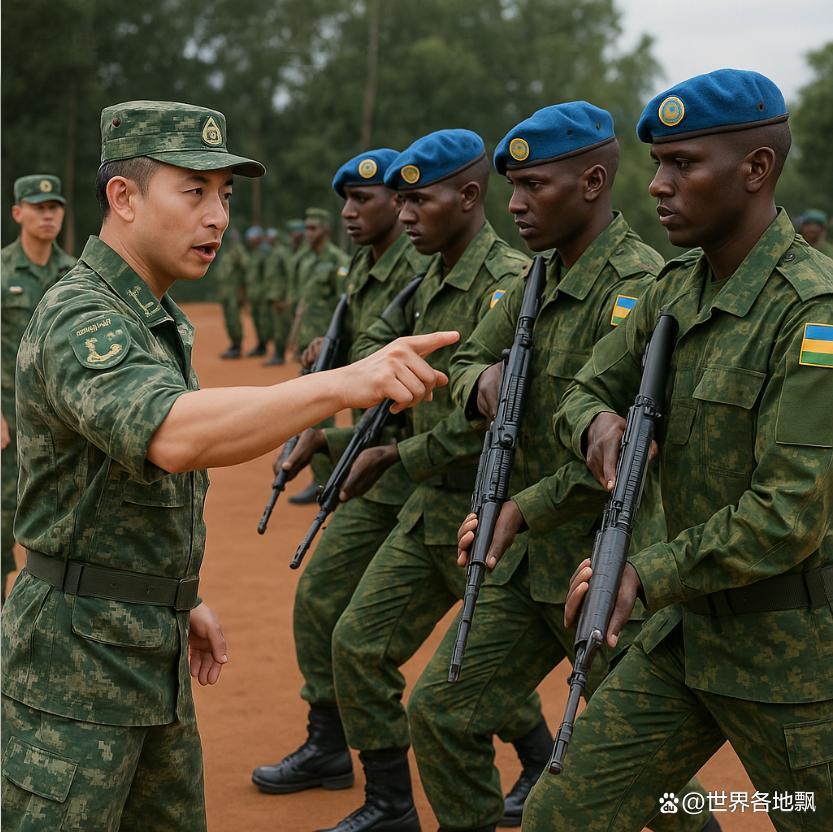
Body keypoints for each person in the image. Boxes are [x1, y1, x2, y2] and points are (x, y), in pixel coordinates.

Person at [0, 99, 457, 832]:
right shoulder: (80, 315)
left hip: (146, 646)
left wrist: (176, 594)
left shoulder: (155, 316)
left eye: (226, 197)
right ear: (123, 197)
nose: (218, 217)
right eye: (194, 192)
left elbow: (123, 489)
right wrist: (346, 381)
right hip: (72, 679)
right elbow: (175, 436)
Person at [524, 69, 833, 832]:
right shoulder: (674, 291)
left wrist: (644, 572)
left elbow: (788, 511)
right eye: (658, 163)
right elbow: (581, 391)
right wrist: (598, 425)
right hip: (687, 640)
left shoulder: (813, 314)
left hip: (792, 658)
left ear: (755, 170)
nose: (658, 185)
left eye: (683, 164)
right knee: (560, 816)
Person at [406, 103, 715, 832]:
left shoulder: (642, 285)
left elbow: (632, 450)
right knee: (441, 709)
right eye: (510, 186)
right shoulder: (533, 278)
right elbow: (466, 359)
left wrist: (522, 506)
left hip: (608, 569)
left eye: (533, 185)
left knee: (651, 786)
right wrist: (482, 383)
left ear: (592, 181)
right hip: (526, 566)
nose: (513, 204)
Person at [323, 129, 549, 832]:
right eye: (401, 201)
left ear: (468, 196)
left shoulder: (509, 282)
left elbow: (495, 415)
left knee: (484, 679)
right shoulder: (428, 280)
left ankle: (548, 765)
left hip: (492, 514)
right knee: (357, 644)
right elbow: (388, 371)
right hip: (431, 510)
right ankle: (391, 804)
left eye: (418, 200)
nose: (406, 214)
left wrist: (396, 458)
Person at [251, 146, 430, 795]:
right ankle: (328, 747)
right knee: (323, 601)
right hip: (370, 464)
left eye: (365, 199)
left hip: (413, 473)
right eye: (345, 202)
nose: (351, 213)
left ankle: (531, 750)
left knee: (484, 631)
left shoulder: (422, 263)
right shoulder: (364, 266)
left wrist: (331, 438)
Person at [1, 174, 75, 603]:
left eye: (55, 206)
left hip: (60, 425)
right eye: (38, 205)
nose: (48, 214)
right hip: (7, 425)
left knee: (59, 525)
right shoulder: (2, 271)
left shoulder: (75, 274)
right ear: (18, 213)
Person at [289, 207, 351, 504]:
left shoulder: (339, 262)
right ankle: (320, 477)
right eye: (307, 227)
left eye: (314, 228)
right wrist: (294, 337)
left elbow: (345, 308)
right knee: (307, 412)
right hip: (307, 348)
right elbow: (302, 303)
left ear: (326, 230)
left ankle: (325, 482)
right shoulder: (303, 259)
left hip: (327, 350)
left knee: (321, 416)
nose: (309, 232)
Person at [214, 226, 249, 358]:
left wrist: (243, 290)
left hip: (234, 293)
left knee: (234, 319)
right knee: (228, 319)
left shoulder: (238, 251)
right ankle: (233, 344)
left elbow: (246, 268)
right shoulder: (226, 253)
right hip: (226, 293)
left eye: (234, 237)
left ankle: (237, 346)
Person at [243, 224, 273, 357]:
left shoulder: (264, 252)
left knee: (264, 320)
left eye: (253, 237)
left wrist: (267, 292)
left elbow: (268, 274)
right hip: (254, 293)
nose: (251, 240)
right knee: (256, 320)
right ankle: (260, 344)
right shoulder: (254, 253)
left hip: (262, 294)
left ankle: (264, 345)